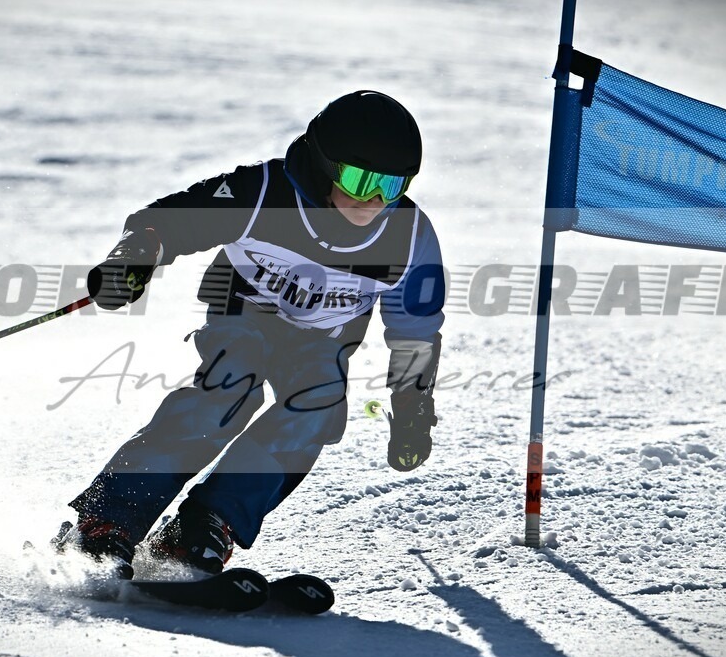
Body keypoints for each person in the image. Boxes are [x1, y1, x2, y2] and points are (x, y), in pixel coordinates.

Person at [54, 91, 446, 579]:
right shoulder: (264, 192)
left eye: (392, 185)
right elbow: (171, 221)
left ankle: (204, 524)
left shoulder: (408, 236)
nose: (373, 200)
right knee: (230, 384)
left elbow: (416, 330)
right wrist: (133, 258)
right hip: (242, 311)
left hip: (321, 339)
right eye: (359, 179)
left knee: (317, 404)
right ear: (325, 166)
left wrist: (412, 406)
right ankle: (107, 519)